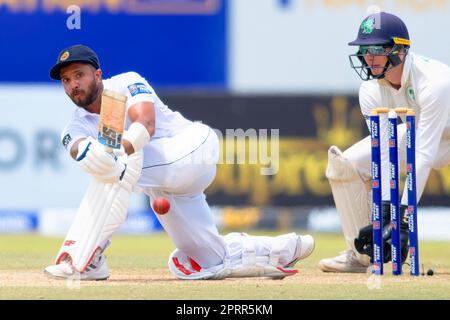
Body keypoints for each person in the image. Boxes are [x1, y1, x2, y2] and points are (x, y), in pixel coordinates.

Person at [43, 44, 315, 280]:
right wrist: (89, 153)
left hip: (190, 149)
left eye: (79, 75)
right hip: (165, 186)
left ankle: (84, 257)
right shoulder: (74, 126)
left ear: (98, 74)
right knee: (208, 259)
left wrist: (114, 153)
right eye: (66, 80)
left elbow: (145, 125)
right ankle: (286, 248)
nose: (73, 85)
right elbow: (77, 148)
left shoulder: (125, 83)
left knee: (113, 165)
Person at [319, 12, 450, 273]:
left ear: (400, 51)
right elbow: (385, 153)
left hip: (438, 136)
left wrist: (402, 219)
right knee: (344, 164)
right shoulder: (370, 90)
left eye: (377, 49)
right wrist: (388, 214)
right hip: (423, 135)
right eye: (365, 49)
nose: (369, 57)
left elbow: (422, 155)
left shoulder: (435, 82)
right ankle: (362, 256)